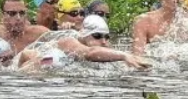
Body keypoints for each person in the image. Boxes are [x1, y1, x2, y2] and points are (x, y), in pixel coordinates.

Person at [16, 15, 150, 70]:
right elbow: (90, 53)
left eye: (107, 37)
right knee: (50, 60)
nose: (103, 41)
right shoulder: (69, 42)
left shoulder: (104, 47)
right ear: (84, 35)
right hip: (28, 67)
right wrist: (124, 55)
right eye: (97, 36)